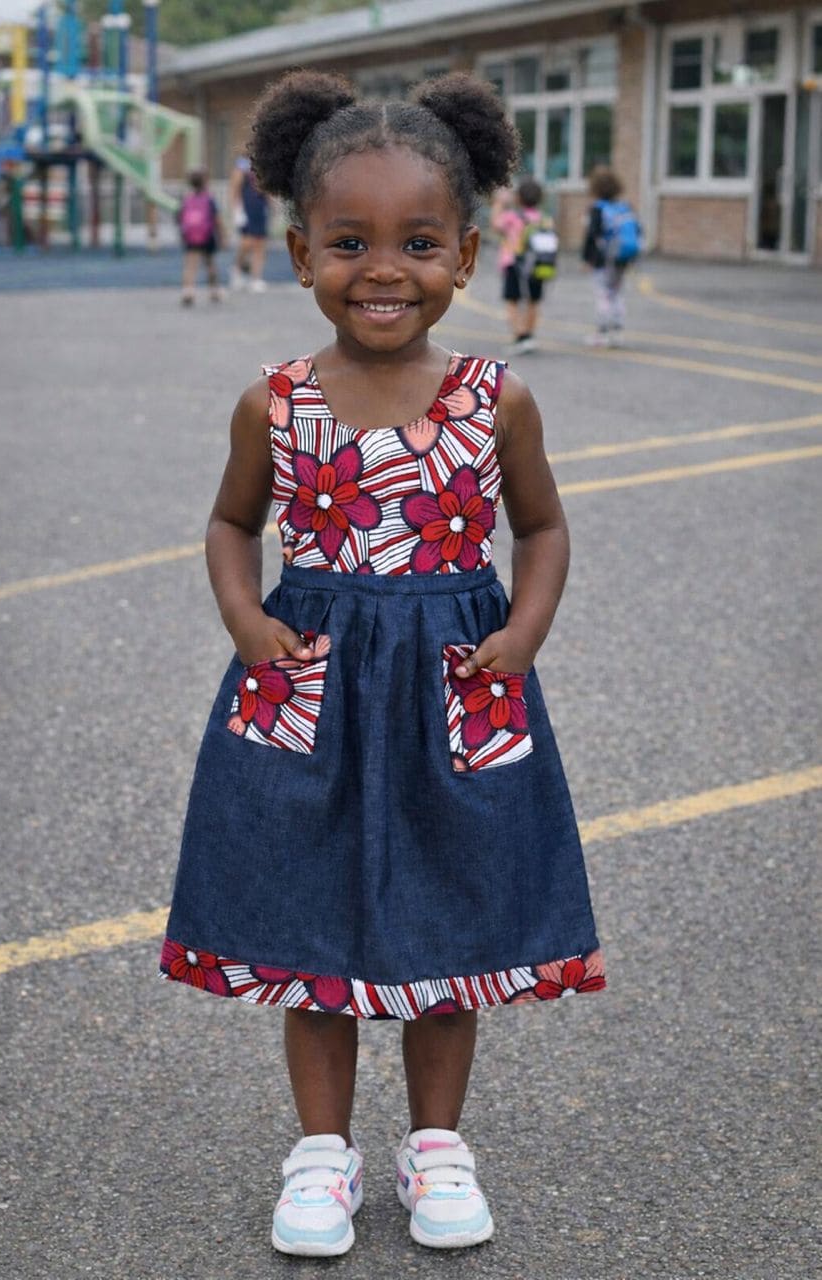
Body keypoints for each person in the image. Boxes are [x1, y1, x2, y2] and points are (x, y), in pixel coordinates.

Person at [159, 69, 605, 1259]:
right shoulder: (275, 403)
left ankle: (436, 1144)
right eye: (349, 242)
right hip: (311, 688)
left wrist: (524, 630)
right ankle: (321, 1153)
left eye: (417, 241)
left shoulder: (496, 400)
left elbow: (543, 528)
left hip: (456, 690)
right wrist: (245, 619)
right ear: (301, 252)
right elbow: (231, 522)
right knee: (311, 919)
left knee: (450, 917)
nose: (383, 269)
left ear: (466, 255)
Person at [580, 165, 641, 346]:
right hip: (624, 257)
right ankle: (617, 332)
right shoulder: (625, 207)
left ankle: (603, 333)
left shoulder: (597, 209)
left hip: (604, 259)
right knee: (617, 293)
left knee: (603, 294)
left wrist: (586, 259)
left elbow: (592, 236)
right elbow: (638, 231)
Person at [490, 177, 553, 354]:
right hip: (538, 264)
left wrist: (498, 203)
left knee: (512, 300)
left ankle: (520, 336)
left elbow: (495, 225)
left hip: (514, 263)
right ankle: (529, 335)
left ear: (518, 197)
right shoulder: (543, 218)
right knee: (534, 300)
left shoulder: (512, 217)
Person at [177, 169, 224, 306]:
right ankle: (214, 291)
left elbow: (181, 218)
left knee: (190, 265)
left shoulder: (187, 199)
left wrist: (183, 234)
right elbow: (217, 219)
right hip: (207, 235)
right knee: (210, 264)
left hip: (191, 236)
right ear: (205, 182)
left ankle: (188, 292)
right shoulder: (209, 199)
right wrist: (222, 235)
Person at [229, 154, 270, 292]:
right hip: (247, 210)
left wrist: (272, 206)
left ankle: (256, 278)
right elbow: (234, 190)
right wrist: (236, 211)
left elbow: (267, 189)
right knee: (247, 242)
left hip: (260, 208)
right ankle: (236, 270)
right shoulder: (241, 166)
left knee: (260, 244)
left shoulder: (263, 166)